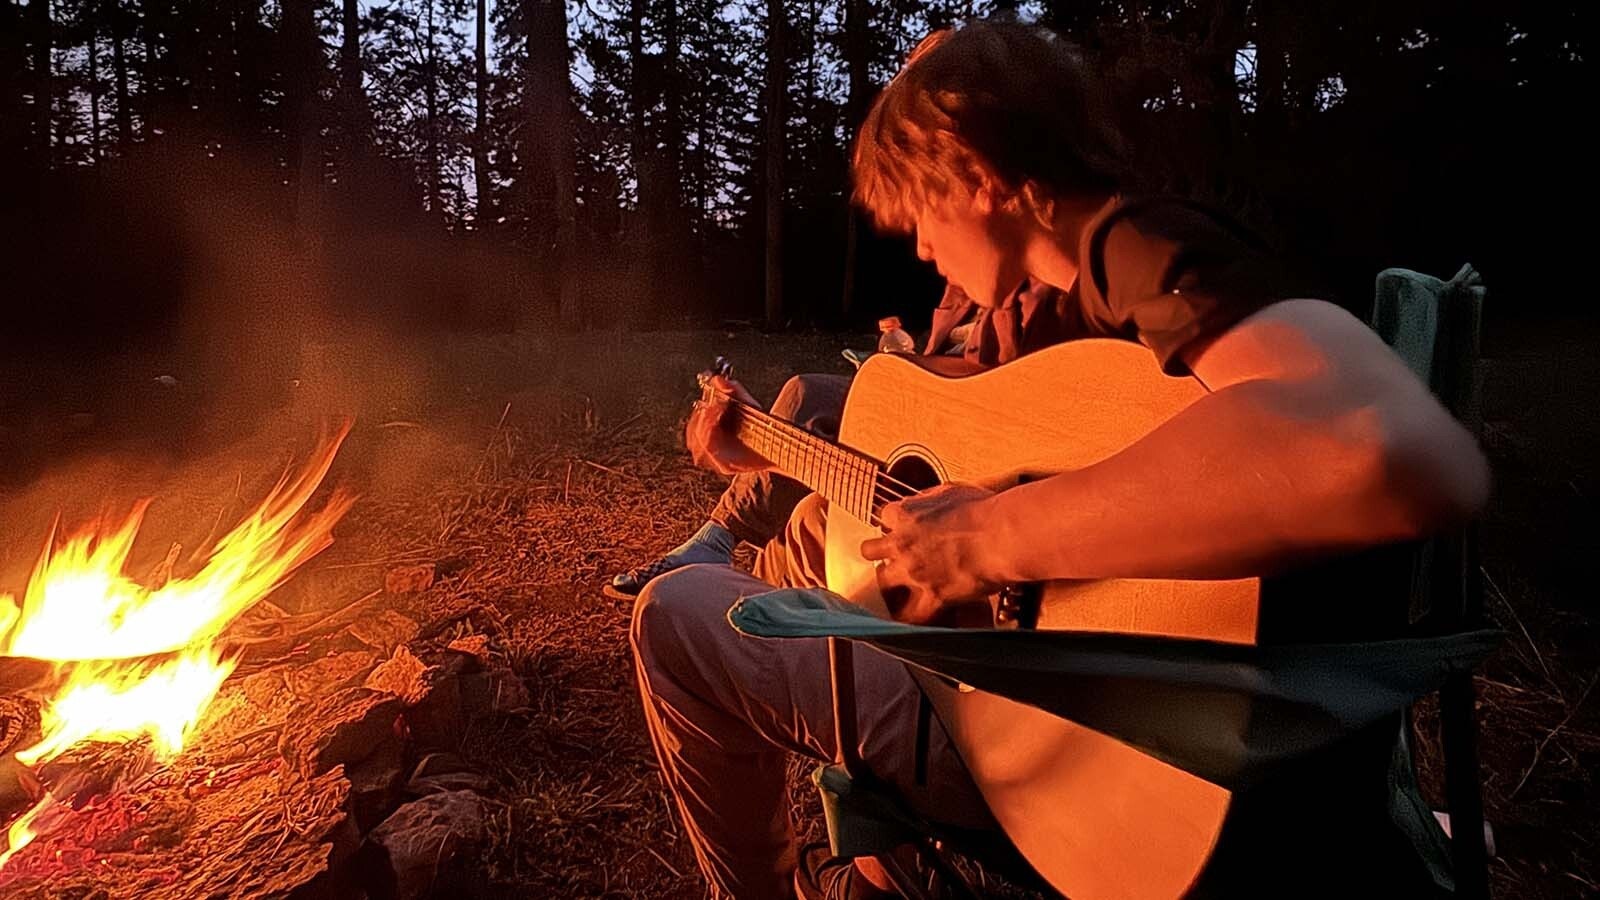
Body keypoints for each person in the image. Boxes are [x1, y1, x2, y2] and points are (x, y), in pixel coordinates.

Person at [629, 20, 1490, 899]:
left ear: (977, 173)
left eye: (923, 211)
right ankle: (876, 869)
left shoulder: (1133, 247)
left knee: (674, 616)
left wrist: (995, 538)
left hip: (1079, 743)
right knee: (820, 527)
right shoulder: (1064, 305)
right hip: (1093, 722)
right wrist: (764, 449)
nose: (922, 248)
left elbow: (1396, 450)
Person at [604, 278, 1058, 601]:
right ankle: (722, 544)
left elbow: (1001, 402)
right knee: (808, 391)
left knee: (807, 517)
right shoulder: (968, 277)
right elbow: (941, 356)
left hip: (975, 442)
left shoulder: (1032, 286)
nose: (921, 248)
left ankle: (727, 554)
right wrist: (763, 446)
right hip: (938, 404)